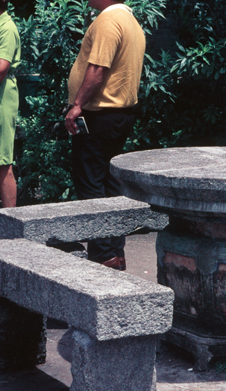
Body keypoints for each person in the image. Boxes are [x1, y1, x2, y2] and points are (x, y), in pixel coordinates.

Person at [65, 0, 145, 271]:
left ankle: (103, 256)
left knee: (89, 182)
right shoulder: (130, 21)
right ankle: (115, 253)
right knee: (110, 184)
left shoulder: (109, 21)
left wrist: (77, 105)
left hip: (99, 114)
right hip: (120, 114)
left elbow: (98, 68)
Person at [0, 0, 20, 209]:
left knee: (2, 163)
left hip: (2, 99)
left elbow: (1, 68)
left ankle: (10, 226)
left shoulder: (6, 28)